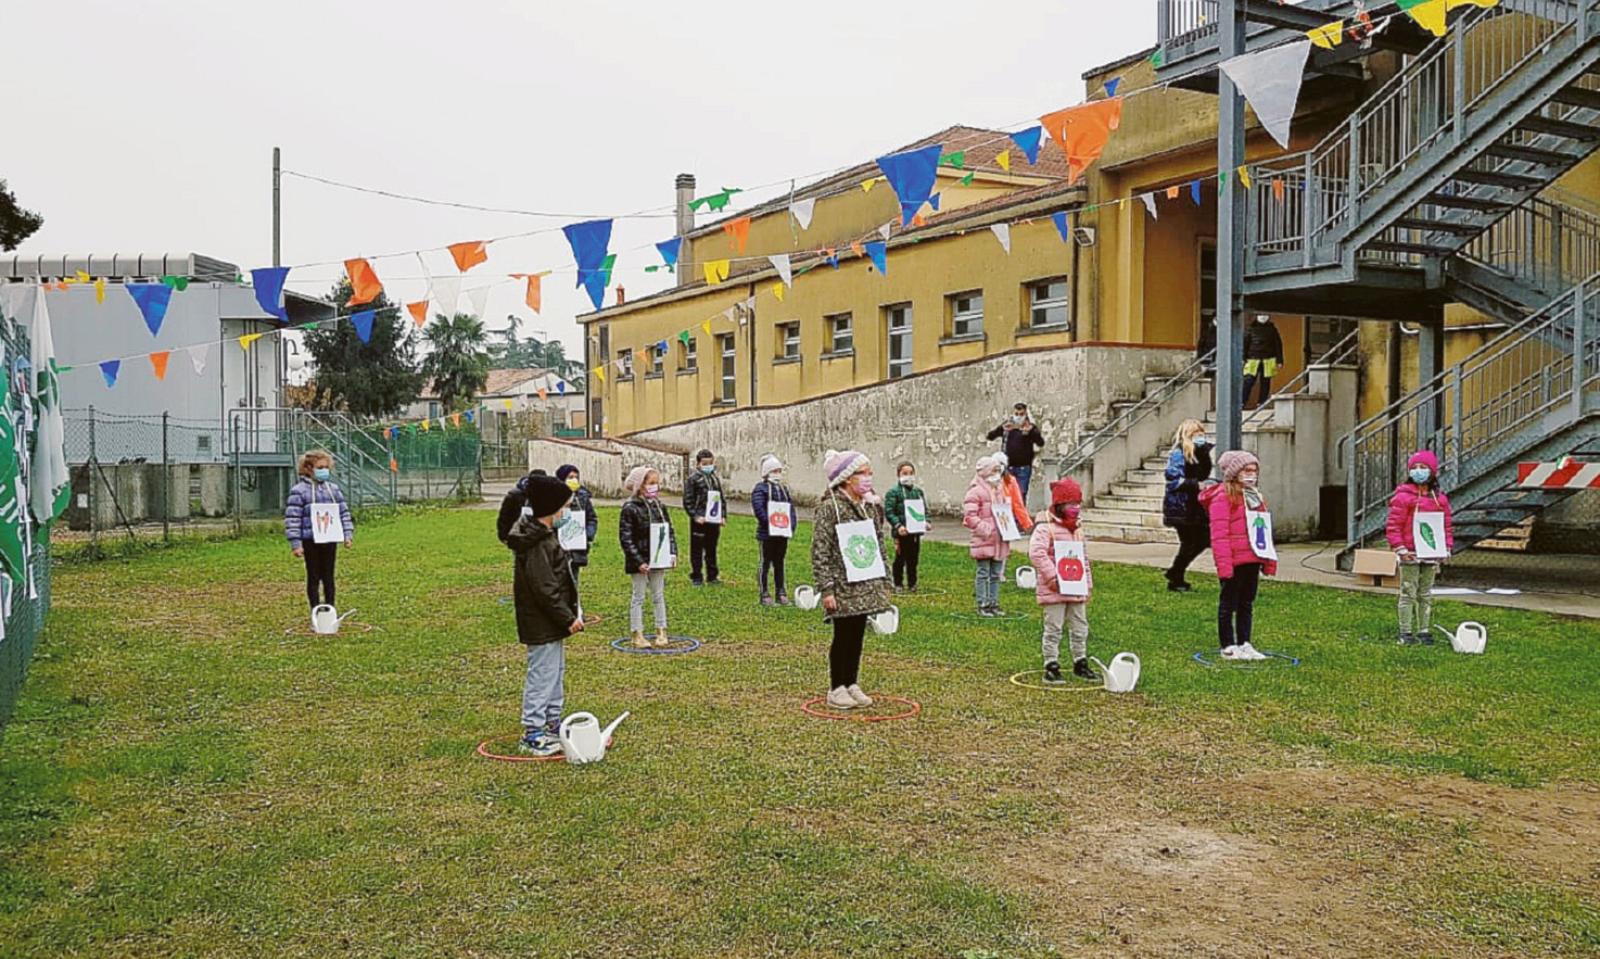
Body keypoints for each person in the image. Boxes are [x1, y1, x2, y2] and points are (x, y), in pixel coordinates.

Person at [505, 475, 585, 756]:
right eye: (564, 507)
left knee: (555, 672)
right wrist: (567, 617)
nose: (566, 512)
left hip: (551, 621)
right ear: (552, 509)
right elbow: (545, 587)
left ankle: (552, 722)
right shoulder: (536, 543)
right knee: (542, 674)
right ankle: (533, 730)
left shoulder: (546, 536)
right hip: (542, 621)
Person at [811, 449, 892, 710]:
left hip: (864, 583)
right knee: (843, 635)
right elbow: (820, 550)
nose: (868, 478)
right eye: (862, 473)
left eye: (869, 473)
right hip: (841, 584)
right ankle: (837, 687)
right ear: (847, 478)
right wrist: (826, 589)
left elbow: (878, 544)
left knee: (857, 633)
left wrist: (884, 579)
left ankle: (851, 681)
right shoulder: (829, 508)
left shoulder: (866, 507)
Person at [1202, 450, 1276, 661]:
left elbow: (1263, 529)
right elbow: (1219, 534)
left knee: (1246, 602)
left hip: (1252, 557)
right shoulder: (1223, 497)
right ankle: (1227, 644)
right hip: (1233, 560)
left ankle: (1245, 642)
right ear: (1235, 473)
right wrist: (1224, 565)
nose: (1252, 474)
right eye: (1247, 470)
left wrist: (1267, 560)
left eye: (1254, 470)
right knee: (1228, 603)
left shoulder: (1254, 497)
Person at [1029, 477, 1096, 682]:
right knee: (1054, 627)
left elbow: (1082, 558)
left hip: (1075, 587)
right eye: (1071, 504)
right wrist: (1052, 576)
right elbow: (1037, 553)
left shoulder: (1077, 530)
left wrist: (1087, 583)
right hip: (1054, 588)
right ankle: (1051, 663)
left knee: (1080, 626)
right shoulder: (1045, 529)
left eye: (1077, 504)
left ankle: (1080, 661)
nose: (1075, 508)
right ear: (1059, 505)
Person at [1386, 450, 1456, 646]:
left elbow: (1445, 525)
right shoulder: (1402, 498)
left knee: (1425, 593)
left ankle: (1424, 630)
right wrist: (1400, 548)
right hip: (1409, 553)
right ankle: (1405, 631)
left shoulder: (1439, 500)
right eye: (1414, 468)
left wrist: (1446, 547)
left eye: (1423, 467)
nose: (1418, 471)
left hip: (1431, 553)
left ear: (1432, 471)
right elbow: (1393, 525)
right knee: (1408, 591)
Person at [284, 450, 354, 611]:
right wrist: (296, 544)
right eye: (320, 467)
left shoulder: (334, 490)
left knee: (328, 576)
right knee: (314, 576)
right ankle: (315, 609)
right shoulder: (299, 491)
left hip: (330, 539)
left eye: (326, 467)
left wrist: (347, 534)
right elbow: (293, 518)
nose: (324, 470)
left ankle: (330, 608)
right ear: (308, 468)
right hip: (311, 540)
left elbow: (343, 512)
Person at [619, 466, 677, 648]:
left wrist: (672, 553)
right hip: (640, 561)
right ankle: (637, 633)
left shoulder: (660, 506)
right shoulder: (630, 508)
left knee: (658, 595)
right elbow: (626, 538)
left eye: (657, 483)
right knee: (639, 596)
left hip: (658, 558)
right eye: (651, 483)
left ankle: (662, 630)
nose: (655, 487)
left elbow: (669, 532)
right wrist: (638, 561)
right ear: (640, 485)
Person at [1162, 419, 1214, 592]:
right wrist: (1194, 484)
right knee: (1190, 541)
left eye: (1201, 433)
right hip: (1181, 506)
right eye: (1195, 434)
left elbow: (1204, 473)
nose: (1200, 437)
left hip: (1194, 505)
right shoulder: (1179, 453)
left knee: (1200, 540)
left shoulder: (1200, 452)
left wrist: (1205, 453)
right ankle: (1176, 575)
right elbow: (1172, 479)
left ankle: (1176, 573)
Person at [963, 455, 1013, 617]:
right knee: (983, 572)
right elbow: (970, 516)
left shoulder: (999, 491)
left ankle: (994, 602)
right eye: (994, 471)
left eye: (999, 471)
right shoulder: (975, 492)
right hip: (984, 540)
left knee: (996, 574)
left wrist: (1008, 527)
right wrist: (985, 529)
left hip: (999, 539)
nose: (997, 475)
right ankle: (982, 603)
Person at [751, 454, 794, 606]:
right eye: (774, 471)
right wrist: (770, 524)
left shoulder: (783, 489)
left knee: (779, 563)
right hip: (767, 534)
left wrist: (791, 525)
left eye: (779, 471)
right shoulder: (760, 489)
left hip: (782, 534)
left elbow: (790, 509)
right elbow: (759, 509)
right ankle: (764, 594)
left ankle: (781, 592)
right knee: (765, 562)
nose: (778, 474)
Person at [883, 461, 928, 592]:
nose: (908, 476)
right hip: (901, 532)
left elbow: (924, 509)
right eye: (905, 473)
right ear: (898, 475)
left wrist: (926, 521)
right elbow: (889, 511)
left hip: (915, 532)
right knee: (900, 558)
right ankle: (898, 583)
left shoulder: (918, 492)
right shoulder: (893, 493)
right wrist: (898, 526)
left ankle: (912, 583)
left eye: (911, 473)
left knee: (913, 559)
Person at [986, 402, 1046, 498]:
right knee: (1006, 495)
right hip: (1008, 467)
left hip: (1024, 468)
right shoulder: (1008, 426)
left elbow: (1040, 443)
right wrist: (1001, 428)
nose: (1018, 417)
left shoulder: (1031, 428)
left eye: (1021, 414)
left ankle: (1019, 513)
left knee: (1021, 495)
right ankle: (1009, 513)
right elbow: (990, 436)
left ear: (1026, 415)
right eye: (1016, 414)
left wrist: (1031, 432)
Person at [683, 448, 725, 586]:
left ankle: (712, 576)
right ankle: (696, 576)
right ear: (698, 464)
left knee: (711, 548)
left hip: (713, 519)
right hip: (700, 520)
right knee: (697, 549)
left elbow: (721, 499)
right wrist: (695, 516)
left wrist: (722, 516)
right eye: (705, 463)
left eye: (710, 463)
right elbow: (688, 500)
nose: (708, 466)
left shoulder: (714, 479)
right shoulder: (693, 480)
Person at [554, 464, 599, 588]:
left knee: (573, 580)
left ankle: (573, 604)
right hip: (558, 547)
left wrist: (587, 535)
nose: (574, 480)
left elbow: (592, 518)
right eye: (570, 477)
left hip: (577, 546)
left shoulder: (582, 497)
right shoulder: (553, 497)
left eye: (576, 477)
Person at [1241, 314, 1284, 409]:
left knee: (1266, 382)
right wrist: (1243, 358)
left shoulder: (1272, 330)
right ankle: (1242, 402)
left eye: (1265, 315)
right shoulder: (1250, 329)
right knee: (1248, 381)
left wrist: (1279, 360)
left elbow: (1278, 345)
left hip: (1268, 360)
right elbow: (1245, 345)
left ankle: (1262, 402)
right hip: (1252, 359)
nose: (1263, 317)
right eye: (1261, 315)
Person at [496, 468, 549, 544]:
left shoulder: (547, 495)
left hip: (542, 535)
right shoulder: (515, 496)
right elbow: (505, 517)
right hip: (520, 534)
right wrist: (504, 536)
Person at [993, 451, 1035, 536]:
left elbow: (1018, 504)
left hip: (1005, 518)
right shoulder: (985, 480)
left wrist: (1027, 525)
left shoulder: (1010, 481)